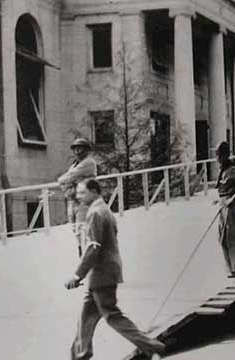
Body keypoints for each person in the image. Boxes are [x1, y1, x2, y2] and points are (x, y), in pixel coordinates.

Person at [65, 179, 165, 360]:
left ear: (94, 191)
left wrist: (77, 275)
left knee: (112, 315)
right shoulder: (104, 210)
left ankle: (153, 346)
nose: (78, 196)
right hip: (104, 272)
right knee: (86, 317)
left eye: (82, 192)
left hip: (102, 273)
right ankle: (80, 354)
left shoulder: (95, 213)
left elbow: (94, 246)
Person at [214, 141, 235, 278]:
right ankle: (232, 268)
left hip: (230, 205)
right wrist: (220, 200)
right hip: (223, 203)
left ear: (223, 155)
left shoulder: (232, 168)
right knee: (223, 237)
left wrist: (233, 197)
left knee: (232, 236)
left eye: (217, 154)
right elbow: (224, 188)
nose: (216, 157)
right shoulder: (223, 169)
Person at [58, 138, 97, 256]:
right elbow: (65, 183)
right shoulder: (74, 164)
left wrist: (65, 180)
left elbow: (70, 176)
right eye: (75, 149)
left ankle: (88, 256)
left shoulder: (89, 162)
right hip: (73, 200)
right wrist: (68, 186)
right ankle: (83, 254)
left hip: (83, 201)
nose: (77, 151)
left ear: (86, 150)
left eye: (80, 148)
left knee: (82, 229)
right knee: (75, 230)